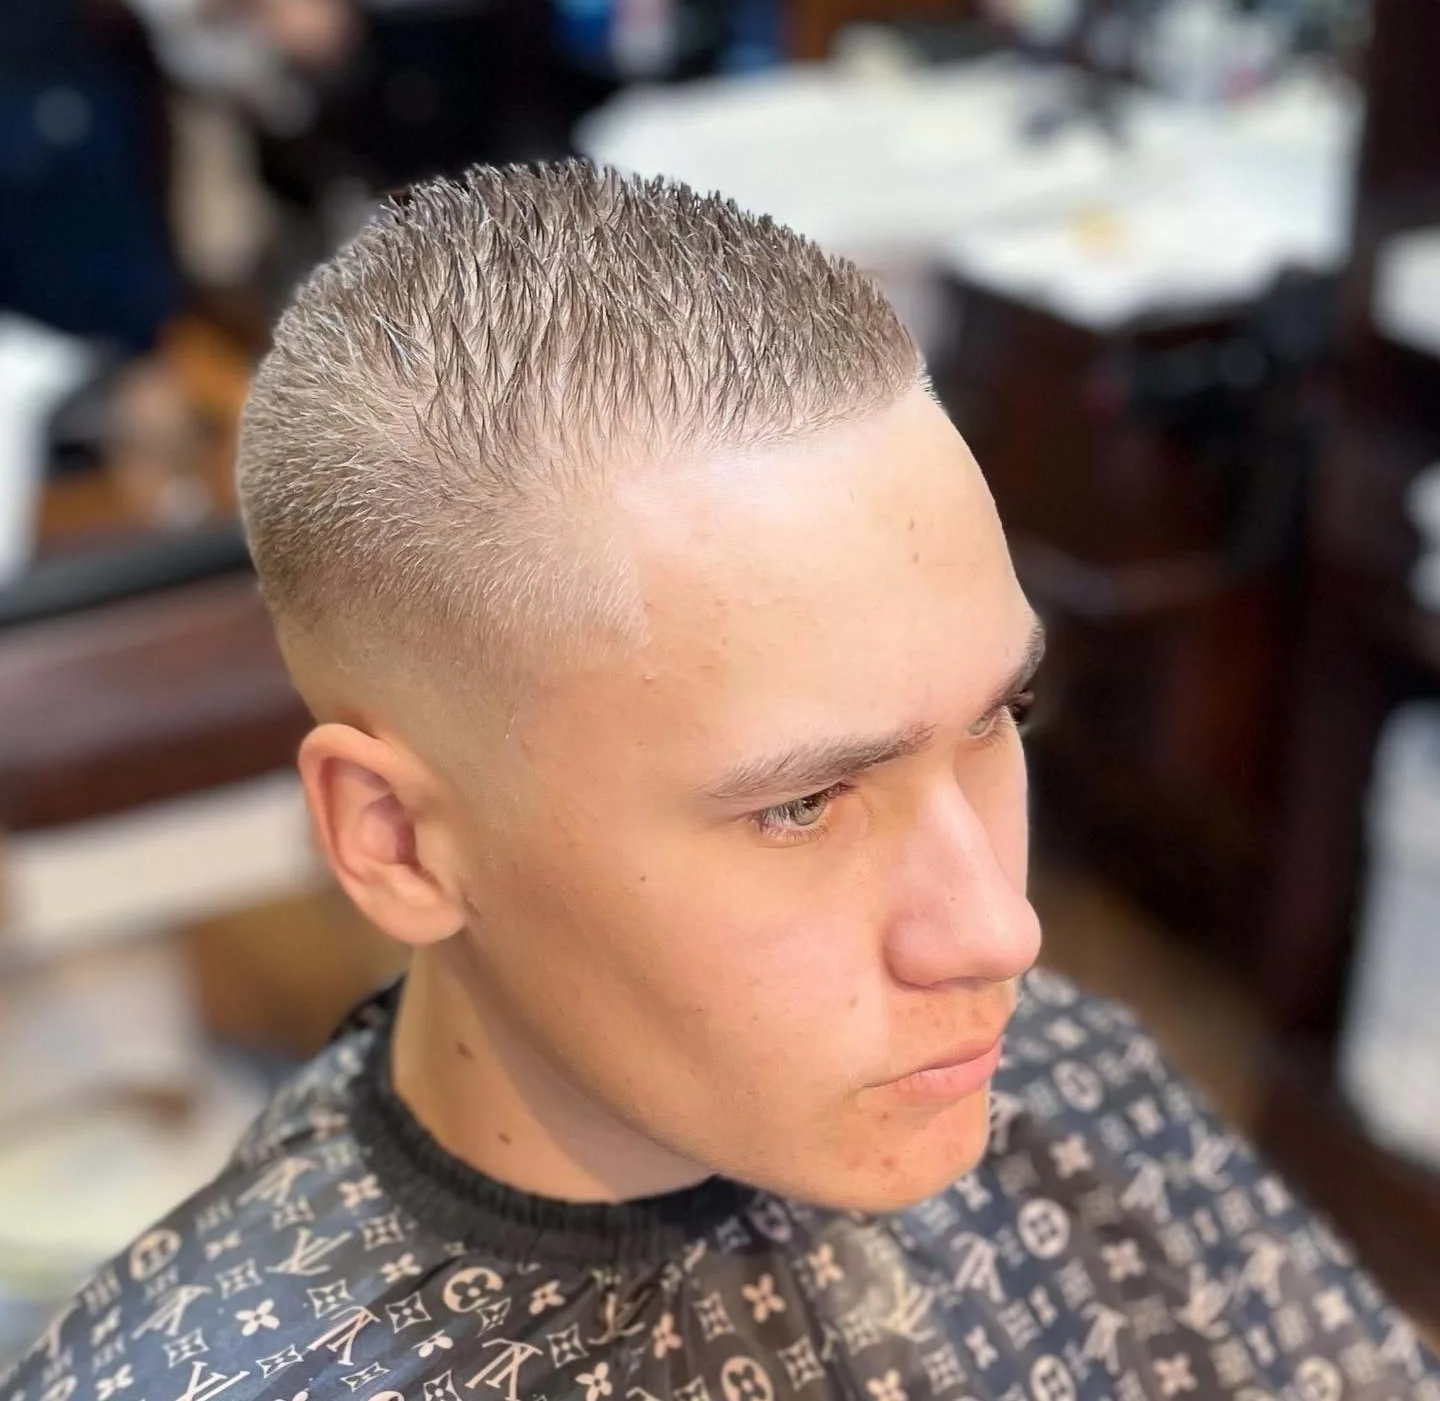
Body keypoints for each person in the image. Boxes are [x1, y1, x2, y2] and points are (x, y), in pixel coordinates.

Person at [5, 162, 1436, 1401]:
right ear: (398, 840)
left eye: (1001, 715)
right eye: (801, 804)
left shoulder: (1070, 1086)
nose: (1002, 935)